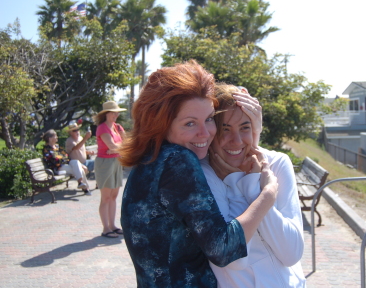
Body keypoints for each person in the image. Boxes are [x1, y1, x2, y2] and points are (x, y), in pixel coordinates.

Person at [119, 60, 278, 288]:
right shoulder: (178, 161)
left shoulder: (150, 160)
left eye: (209, 119)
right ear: (161, 124)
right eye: (190, 123)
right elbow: (224, 249)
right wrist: (268, 194)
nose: (206, 133)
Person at [201, 84, 306, 287]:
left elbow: (291, 253)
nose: (237, 140)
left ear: (255, 128)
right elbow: (235, 259)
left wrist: (250, 186)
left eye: (244, 128)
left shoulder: (276, 163)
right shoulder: (205, 174)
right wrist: (252, 187)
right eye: (226, 129)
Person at [93, 101, 127, 239]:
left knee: (113, 196)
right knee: (106, 197)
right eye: (113, 112)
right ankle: (106, 228)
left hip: (116, 161)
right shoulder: (102, 128)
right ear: (106, 114)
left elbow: (127, 143)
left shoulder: (117, 127)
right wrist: (115, 147)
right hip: (105, 163)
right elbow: (111, 146)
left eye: (117, 112)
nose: (116, 114)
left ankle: (112, 226)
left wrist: (115, 147)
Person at [42, 129, 91, 195]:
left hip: (64, 165)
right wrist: (63, 158)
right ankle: (85, 188)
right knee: (80, 169)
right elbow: (55, 160)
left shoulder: (57, 146)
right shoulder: (46, 149)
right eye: (55, 136)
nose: (57, 137)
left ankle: (81, 183)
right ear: (50, 138)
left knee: (75, 162)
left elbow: (66, 156)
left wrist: (79, 164)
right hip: (58, 168)